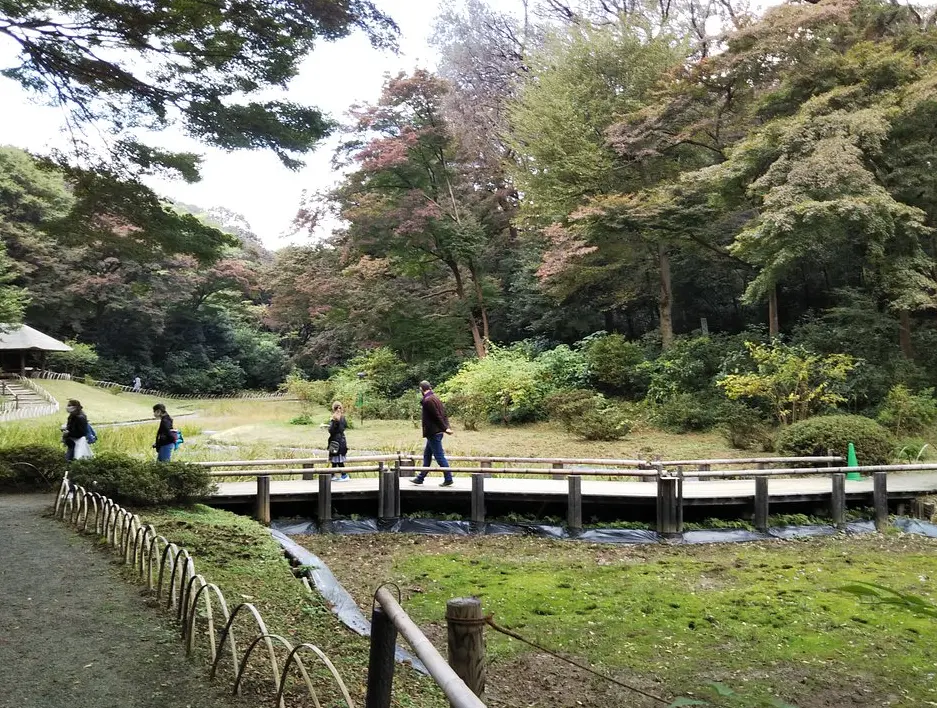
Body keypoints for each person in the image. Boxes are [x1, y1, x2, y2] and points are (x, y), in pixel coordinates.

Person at [411, 380, 453, 487]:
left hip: (433, 432)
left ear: (421, 389)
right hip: (435, 432)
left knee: (439, 456)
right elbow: (444, 414)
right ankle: (420, 478)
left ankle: (448, 478)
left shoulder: (428, 401)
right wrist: (446, 426)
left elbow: (437, 416)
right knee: (427, 455)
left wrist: (445, 428)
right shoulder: (435, 398)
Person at [326, 401, 349, 481]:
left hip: (336, 441)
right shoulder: (343, 418)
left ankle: (344, 475)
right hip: (341, 440)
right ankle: (333, 475)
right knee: (335, 460)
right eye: (338, 408)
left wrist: (334, 422)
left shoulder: (336, 418)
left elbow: (331, 430)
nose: (338, 410)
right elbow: (344, 426)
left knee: (338, 459)